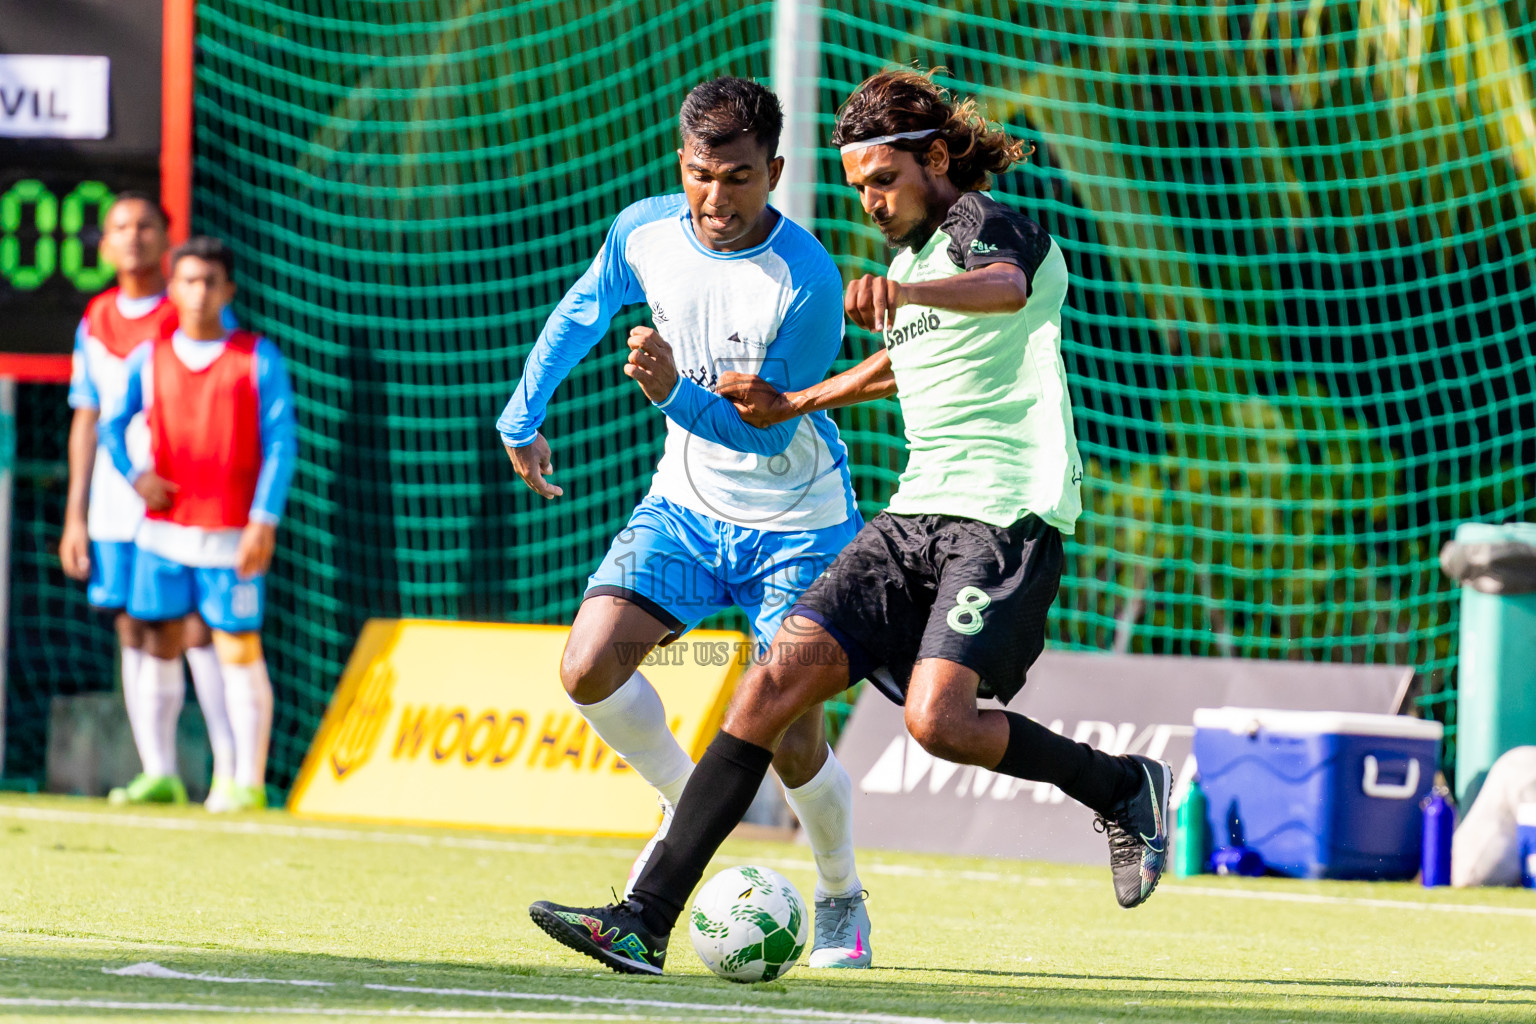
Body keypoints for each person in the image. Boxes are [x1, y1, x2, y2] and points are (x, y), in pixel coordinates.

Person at [529, 68, 1173, 975]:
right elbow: (897, 366)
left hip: (1002, 517)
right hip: (912, 515)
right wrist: (799, 399)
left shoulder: (988, 229)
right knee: (768, 690)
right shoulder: (907, 264)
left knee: (938, 722)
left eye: (883, 181)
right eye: (857, 184)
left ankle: (1119, 784)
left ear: (937, 159)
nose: (868, 201)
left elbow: (1000, 290)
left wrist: (905, 298)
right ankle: (643, 919)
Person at [500, 77, 874, 968]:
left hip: (801, 527)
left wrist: (669, 388)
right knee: (588, 664)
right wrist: (522, 414)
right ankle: (685, 802)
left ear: (775, 171)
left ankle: (840, 893)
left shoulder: (810, 282)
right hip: (683, 511)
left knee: (790, 734)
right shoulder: (644, 230)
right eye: (703, 174)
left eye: (740, 178)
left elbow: (764, 424)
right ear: (682, 164)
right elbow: (582, 311)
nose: (717, 198)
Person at [99, 235, 298, 813]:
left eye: (211, 281)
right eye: (188, 280)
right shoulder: (150, 358)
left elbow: (281, 443)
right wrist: (136, 476)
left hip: (231, 535)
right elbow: (113, 426)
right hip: (162, 534)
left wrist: (264, 518)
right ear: (174, 287)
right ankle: (159, 773)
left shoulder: (256, 356)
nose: (199, 292)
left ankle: (247, 780)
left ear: (228, 290)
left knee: (237, 650)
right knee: (157, 642)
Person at [58, 193, 234, 809]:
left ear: (165, 238)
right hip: (113, 504)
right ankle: (156, 769)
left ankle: (231, 775)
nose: (133, 238)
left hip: (178, 501)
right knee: (133, 626)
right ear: (103, 245)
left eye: (145, 227)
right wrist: (75, 514)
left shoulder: (187, 310)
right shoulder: (94, 318)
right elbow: (89, 419)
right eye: (120, 228)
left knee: (199, 629)